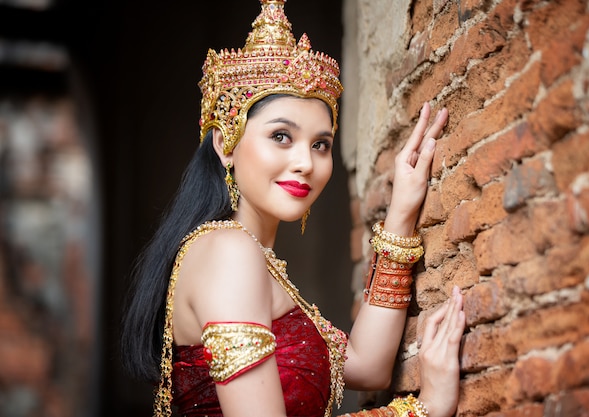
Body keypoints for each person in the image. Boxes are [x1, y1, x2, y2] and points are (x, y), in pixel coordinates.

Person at [120, 1, 465, 416]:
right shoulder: (228, 252)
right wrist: (423, 410)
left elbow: (368, 367)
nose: (306, 161)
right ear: (223, 144)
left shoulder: (245, 256)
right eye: (281, 136)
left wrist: (402, 215)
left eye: (320, 144)